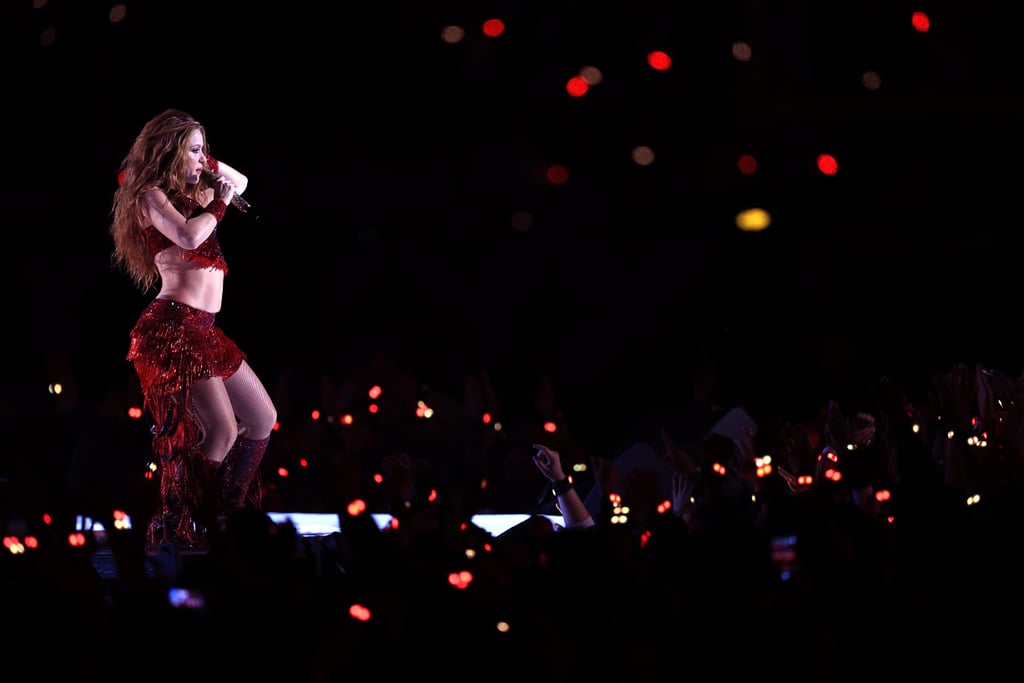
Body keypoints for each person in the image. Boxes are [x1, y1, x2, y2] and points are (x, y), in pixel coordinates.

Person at [110, 108, 277, 551]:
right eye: (196, 150)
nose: (203, 160)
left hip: (204, 328)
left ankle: (225, 513)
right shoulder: (152, 196)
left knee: (262, 418)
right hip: (171, 327)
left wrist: (212, 168)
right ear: (171, 151)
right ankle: (177, 523)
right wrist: (219, 202)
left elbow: (241, 184)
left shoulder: (195, 191)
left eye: (206, 150)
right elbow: (188, 237)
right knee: (220, 432)